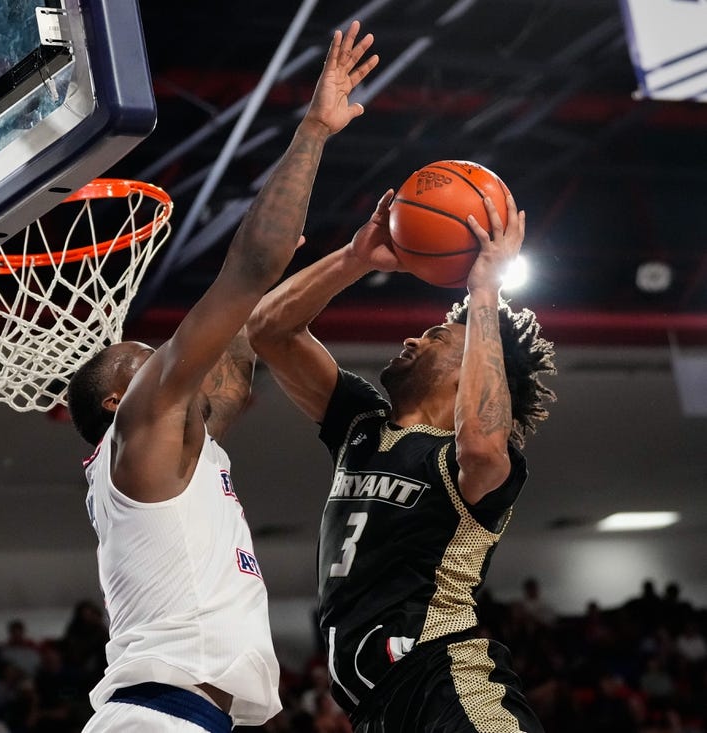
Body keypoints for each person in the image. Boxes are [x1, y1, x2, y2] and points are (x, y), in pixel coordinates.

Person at [65, 21, 380, 733]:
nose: (162, 359)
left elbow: (236, 372)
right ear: (120, 399)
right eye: (142, 357)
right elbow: (247, 271)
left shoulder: (181, 448)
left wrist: (342, 263)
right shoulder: (141, 426)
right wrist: (316, 129)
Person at [247, 179, 556, 729]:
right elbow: (268, 331)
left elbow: (482, 443)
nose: (413, 340)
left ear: (470, 371)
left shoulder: (476, 462)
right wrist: (354, 258)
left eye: (437, 335)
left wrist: (485, 292)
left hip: (448, 686)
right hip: (375, 711)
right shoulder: (359, 423)